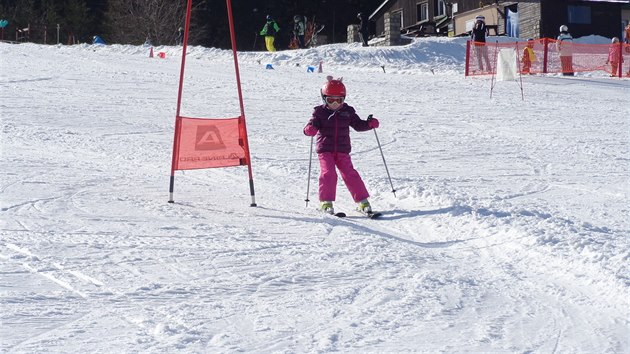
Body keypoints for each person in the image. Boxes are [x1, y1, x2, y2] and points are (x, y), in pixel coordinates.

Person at [303, 76, 380, 215]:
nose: (334, 103)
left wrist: (369, 124)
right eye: (330, 100)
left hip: (342, 149)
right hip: (325, 149)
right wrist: (309, 129)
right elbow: (311, 124)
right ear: (324, 98)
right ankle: (326, 203)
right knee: (329, 174)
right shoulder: (319, 112)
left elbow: (358, 125)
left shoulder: (348, 111)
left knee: (350, 174)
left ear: (343, 99)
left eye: (339, 100)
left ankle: (363, 202)